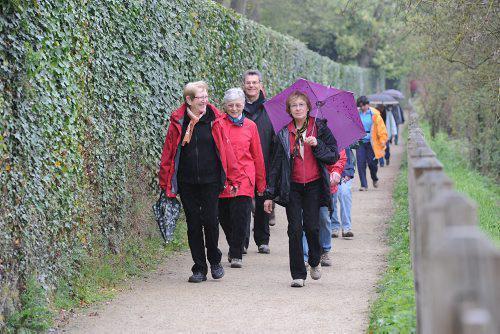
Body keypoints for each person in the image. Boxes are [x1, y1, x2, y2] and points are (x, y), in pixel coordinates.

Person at [158, 81, 241, 283]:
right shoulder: (179, 121)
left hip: (211, 180)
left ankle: (215, 261)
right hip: (187, 181)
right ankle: (199, 268)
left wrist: (233, 177)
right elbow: (169, 152)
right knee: (194, 224)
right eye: (200, 98)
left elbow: (226, 149)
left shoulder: (216, 119)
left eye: (206, 97)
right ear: (189, 100)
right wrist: (165, 182)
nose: (204, 101)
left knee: (211, 221)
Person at [263, 91, 339, 288]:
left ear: (308, 108)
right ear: (289, 110)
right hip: (293, 187)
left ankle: (314, 261)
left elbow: (333, 155)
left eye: (301, 105)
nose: (298, 108)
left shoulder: (319, 127)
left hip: (314, 185)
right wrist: (269, 195)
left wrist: (317, 144)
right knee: (294, 229)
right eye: (294, 105)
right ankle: (298, 274)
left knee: (313, 227)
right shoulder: (283, 132)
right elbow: (275, 165)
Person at [218, 88, 266, 268]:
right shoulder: (218, 124)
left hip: (245, 178)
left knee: (241, 216)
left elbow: (257, 156)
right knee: (223, 216)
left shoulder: (251, 126)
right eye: (230, 105)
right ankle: (233, 244)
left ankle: (237, 253)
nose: (234, 108)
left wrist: (261, 184)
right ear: (225, 106)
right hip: (224, 178)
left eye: (238, 105)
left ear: (243, 105)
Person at [242, 70, 275, 254]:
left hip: (265, 161)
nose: (251, 85)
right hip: (243, 164)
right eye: (248, 82)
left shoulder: (269, 109)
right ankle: (242, 242)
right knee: (244, 204)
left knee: (263, 202)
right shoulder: (238, 107)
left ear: (260, 85)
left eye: (255, 82)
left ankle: (263, 240)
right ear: (244, 85)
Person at [302, 149, 347, 267]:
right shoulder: (301, 132)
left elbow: (340, 154)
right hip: (305, 182)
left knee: (324, 218)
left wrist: (336, 172)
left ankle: (325, 251)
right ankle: (304, 255)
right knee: (304, 220)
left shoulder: (332, 133)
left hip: (326, 185)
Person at [355, 96, 388, 191]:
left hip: (372, 143)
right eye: (360, 106)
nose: (362, 108)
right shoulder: (357, 114)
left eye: (363, 105)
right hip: (360, 142)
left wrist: (382, 140)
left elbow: (381, 129)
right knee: (361, 163)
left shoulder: (375, 114)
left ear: (367, 104)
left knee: (372, 163)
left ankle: (374, 178)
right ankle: (363, 185)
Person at [331, 147, 356, 238]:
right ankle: (334, 226)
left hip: (344, 174)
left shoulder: (343, 139)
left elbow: (349, 160)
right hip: (329, 174)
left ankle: (346, 227)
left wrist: (348, 173)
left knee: (345, 193)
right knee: (331, 199)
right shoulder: (323, 137)